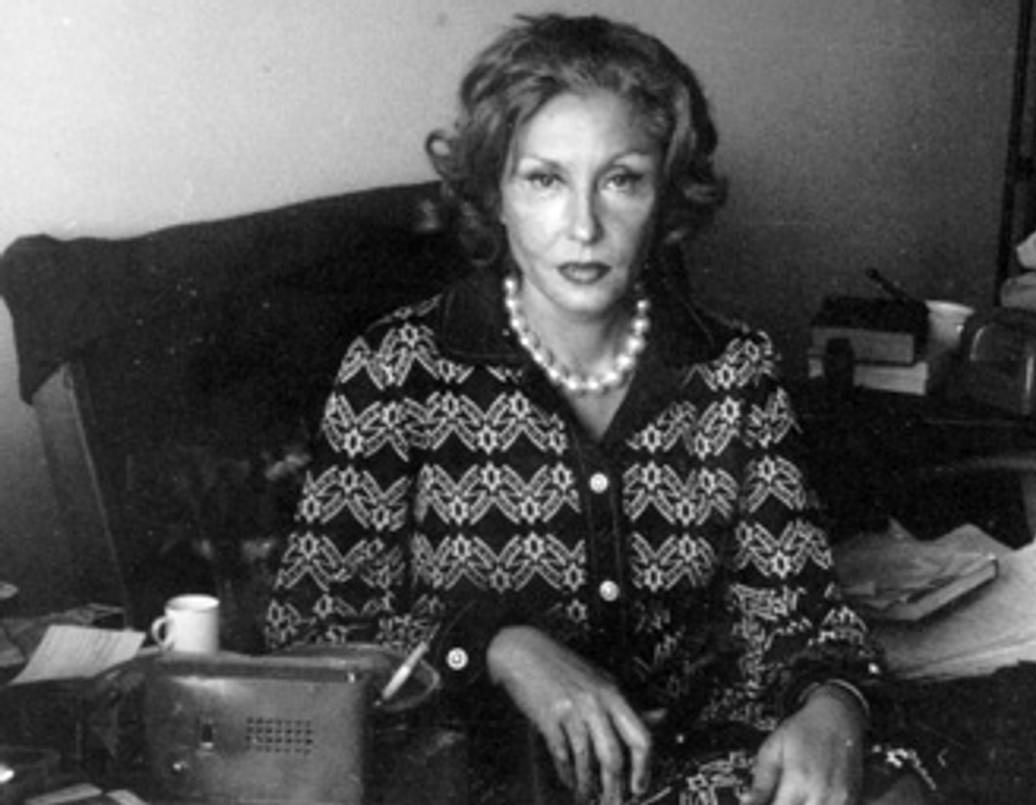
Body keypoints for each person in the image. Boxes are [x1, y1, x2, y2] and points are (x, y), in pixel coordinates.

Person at [265, 13, 935, 804]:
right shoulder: (401, 365)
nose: (583, 225)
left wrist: (835, 707)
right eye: (544, 179)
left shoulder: (733, 366)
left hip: (701, 767)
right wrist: (498, 643)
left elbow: (794, 610)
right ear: (496, 195)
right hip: (478, 776)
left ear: (666, 194)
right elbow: (312, 626)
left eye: (621, 179)